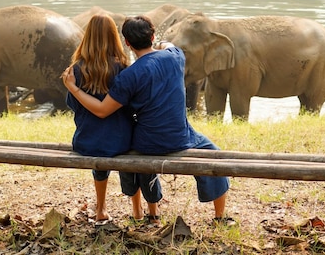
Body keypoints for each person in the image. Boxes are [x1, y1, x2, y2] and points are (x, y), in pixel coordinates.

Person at [63, 15, 233, 225]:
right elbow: (169, 44)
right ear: (152, 36)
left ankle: (143, 211)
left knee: (131, 155)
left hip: (147, 142)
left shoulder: (129, 76)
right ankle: (220, 217)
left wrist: (74, 88)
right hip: (181, 137)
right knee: (214, 156)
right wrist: (161, 43)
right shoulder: (175, 56)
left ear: (127, 42)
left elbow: (102, 110)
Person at [65, 14, 161, 226]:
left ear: (87, 37)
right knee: (125, 143)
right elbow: (132, 105)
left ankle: (100, 209)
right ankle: (147, 211)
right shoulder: (122, 68)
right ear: (114, 37)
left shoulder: (76, 70)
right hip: (121, 141)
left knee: (100, 144)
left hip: (85, 142)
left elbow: (72, 104)